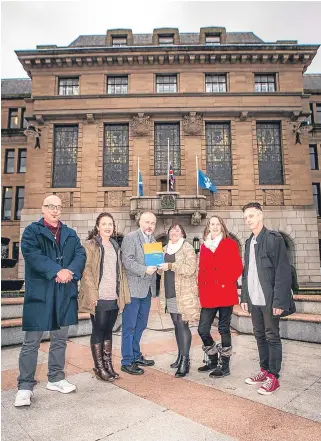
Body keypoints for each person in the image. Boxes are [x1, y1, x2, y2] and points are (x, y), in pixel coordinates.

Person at [15, 195, 86, 407]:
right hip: (41, 292)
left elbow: (80, 255)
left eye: (58, 207)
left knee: (60, 339)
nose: (55, 210)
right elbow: (32, 255)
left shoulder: (70, 234)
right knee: (31, 342)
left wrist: (70, 271)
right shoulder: (31, 232)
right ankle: (25, 387)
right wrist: (56, 270)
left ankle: (55, 378)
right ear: (43, 208)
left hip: (64, 292)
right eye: (50, 206)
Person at [241, 202, 294, 395]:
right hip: (254, 300)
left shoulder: (274, 238)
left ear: (261, 216)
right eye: (246, 217)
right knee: (259, 335)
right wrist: (244, 297)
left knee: (272, 336)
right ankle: (264, 371)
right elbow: (246, 273)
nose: (249, 220)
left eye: (252, 216)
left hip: (270, 299)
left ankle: (274, 377)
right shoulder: (248, 243)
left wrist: (279, 301)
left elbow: (283, 270)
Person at [78, 213, 130, 382]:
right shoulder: (90, 245)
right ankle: (99, 367)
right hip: (99, 296)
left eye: (110, 224)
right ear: (98, 227)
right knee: (98, 329)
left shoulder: (115, 245)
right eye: (104, 224)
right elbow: (86, 272)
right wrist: (93, 295)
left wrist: (121, 295)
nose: (108, 227)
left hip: (112, 295)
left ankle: (108, 365)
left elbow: (119, 272)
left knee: (109, 330)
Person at [197, 216, 243, 377]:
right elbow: (202, 270)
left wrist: (225, 281)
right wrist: (200, 291)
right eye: (212, 224)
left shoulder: (230, 243)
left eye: (218, 224)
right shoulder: (204, 246)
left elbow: (238, 267)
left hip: (225, 292)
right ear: (208, 227)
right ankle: (213, 358)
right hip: (208, 294)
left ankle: (225, 366)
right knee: (202, 329)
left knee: (224, 329)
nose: (215, 227)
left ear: (222, 227)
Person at [158, 224, 200, 378]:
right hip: (169, 291)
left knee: (183, 325)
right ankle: (180, 355)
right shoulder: (163, 249)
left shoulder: (187, 247)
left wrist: (170, 265)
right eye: (171, 230)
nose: (174, 232)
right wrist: (157, 267)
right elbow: (159, 269)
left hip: (183, 293)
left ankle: (185, 360)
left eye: (177, 230)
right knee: (176, 324)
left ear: (182, 233)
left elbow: (190, 269)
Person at [120, 211, 158, 375]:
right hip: (134, 289)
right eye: (147, 222)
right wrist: (144, 270)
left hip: (147, 290)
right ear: (140, 222)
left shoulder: (154, 240)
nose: (150, 226)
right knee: (129, 326)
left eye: (153, 223)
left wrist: (160, 268)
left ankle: (136, 355)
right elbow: (127, 261)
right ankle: (126, 361)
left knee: (141, 325)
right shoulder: (130, 237)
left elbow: (155, 263)